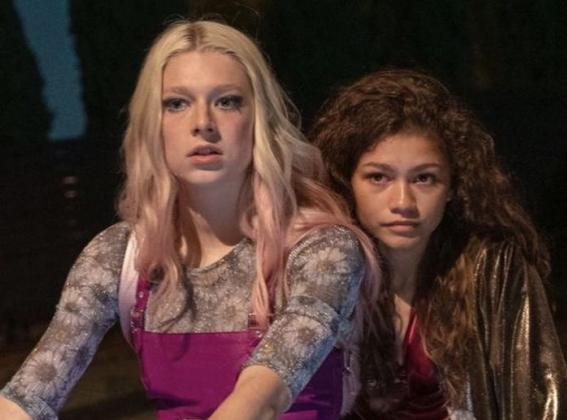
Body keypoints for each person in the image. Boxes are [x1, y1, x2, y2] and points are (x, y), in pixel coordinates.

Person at [0, 20, 379, 420]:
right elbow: (30, 395)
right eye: (176, 103)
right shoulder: (120, 256)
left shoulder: (322, 249)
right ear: (153, 124)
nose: (203, 123)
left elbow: (260, 400)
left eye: (227, 101)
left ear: (260, 119)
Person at [310, 69, 567, 419]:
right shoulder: (324, 272)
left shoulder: (492, 269)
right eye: (378, 177)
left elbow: (544, 402)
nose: (403, 202)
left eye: (424, 178)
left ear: (453, 186)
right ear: (347, 182)